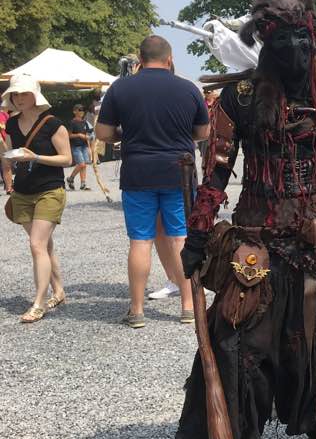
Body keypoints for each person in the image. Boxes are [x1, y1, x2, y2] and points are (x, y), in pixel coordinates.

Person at [176, 0, 316, 439]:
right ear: (266, 42)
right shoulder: (238, 100)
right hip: (255, 241)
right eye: (283, 41)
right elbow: (216, 172)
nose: (295, 52)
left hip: (315, 239)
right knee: (234, 340)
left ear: (313, 39)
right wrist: (198, 234)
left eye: (303, 41)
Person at [95, 35, 209, 327]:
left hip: (138, 172)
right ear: (169, 59)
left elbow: (103, 133)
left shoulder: (120, 88)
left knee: (140, 240)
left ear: (140, 59)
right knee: (180, 238)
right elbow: (203, 133)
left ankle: (136, 310)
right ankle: (187, 307)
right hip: (178, 173)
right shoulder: (188, 88)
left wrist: (127, 136)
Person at [1, 75, 72, 323]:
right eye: (15, 94)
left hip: (50, 190)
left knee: (36, 244)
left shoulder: (53, 124)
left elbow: (67, 159)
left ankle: (38, 303)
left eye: (24, 93)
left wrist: (36, 157)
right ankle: (59, 291)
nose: (19, 98)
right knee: (44, 245)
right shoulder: (11, 124)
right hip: (22, 192)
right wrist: (7, 164)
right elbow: (10, 156)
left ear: (35, 95)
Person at [66, 103, 94, 191]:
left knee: (84, 165)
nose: (82, 112)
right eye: (80, 110)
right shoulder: (72, 122)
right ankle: (70, 178)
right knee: (81, 164)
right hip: (76, 146)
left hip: (84, 146)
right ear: (75, 111)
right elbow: (69, 135)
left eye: (83, 110)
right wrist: (79, 135)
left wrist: (89, 138)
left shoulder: (85, 122)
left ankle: (83, 184)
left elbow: (89, 132)